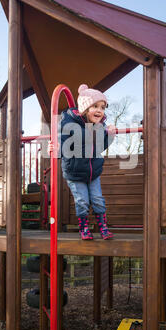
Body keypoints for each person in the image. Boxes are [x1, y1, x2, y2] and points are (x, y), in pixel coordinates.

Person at [59, 84, 115, 240]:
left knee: (97, 199)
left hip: (93, 172)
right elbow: (62, 141)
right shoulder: (69, 122)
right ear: (84, 108)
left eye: (102, 107)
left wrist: (109, 135)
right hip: (75, 173)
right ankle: (84, 228)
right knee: (82, 201)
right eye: (95, 106)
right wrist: (55, 147)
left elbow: (101, 147)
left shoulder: (99, 126)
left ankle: (102, 227)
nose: (99, 111)